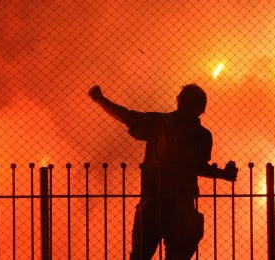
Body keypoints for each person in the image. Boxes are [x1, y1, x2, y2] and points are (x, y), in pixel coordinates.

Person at [88, 83, 238, 260]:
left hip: (154, 203)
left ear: (179, 102)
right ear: (201, 109)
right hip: (180, 206)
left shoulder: (160, 124)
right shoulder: (201, 135)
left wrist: (101, 100)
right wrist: (222, 174)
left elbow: (127, 116)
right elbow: (197, 167)